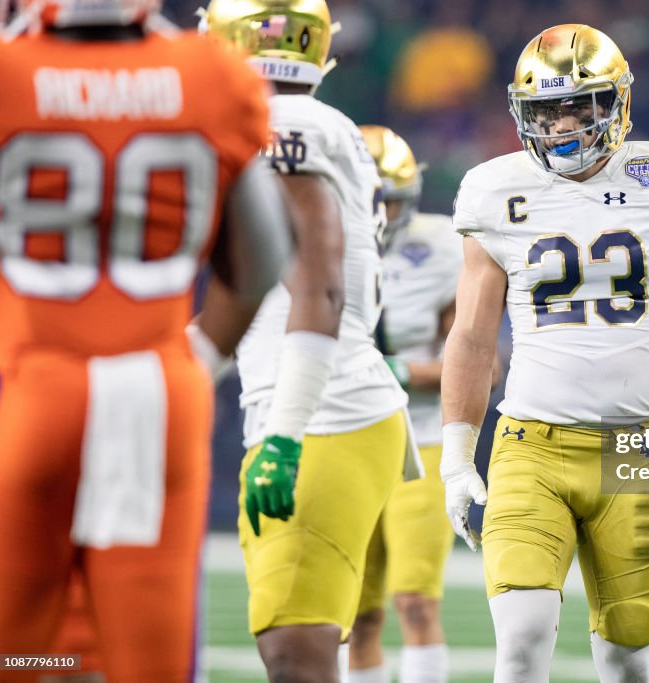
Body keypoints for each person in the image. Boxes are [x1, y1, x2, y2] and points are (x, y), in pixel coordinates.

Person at [440, 24, 649, 682]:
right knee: (522, 638)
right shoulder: (494, 189)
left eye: (576, 104)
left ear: (616, 103)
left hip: (634, 451)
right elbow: (473, 336)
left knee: (627, 660)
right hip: (529, 445)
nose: (560, 122)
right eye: (544, 109)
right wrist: (456, 456)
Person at [0, 1, 291, 681]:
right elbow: (262, 262)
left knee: (10, 651)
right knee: (145, 660)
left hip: (28, 389)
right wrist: (197, 360)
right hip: (158, 393)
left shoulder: (2, 73)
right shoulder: (210, 75)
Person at [203, 2, 415, 681]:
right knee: (294, 641)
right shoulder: (322, 123)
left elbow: (319, 289)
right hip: (322, 406)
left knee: (297, 650)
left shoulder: (282, 125)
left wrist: (287, 435)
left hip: (320, 416)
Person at [349, 125, 485, 683]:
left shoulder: (442, 246)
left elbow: (476, 361)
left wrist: (395, 370)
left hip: (421, 433)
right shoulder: (313, 235)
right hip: (348, 436)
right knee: (355, 615)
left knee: (415, 601)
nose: (383, 211)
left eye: (393, 198)